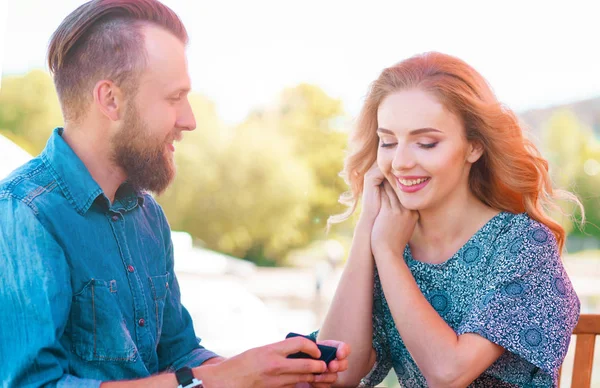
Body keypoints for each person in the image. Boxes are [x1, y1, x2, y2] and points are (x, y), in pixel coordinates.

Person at [0, 1, 349, 387]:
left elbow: (178, 353)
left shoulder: (147, 214)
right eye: (173, 98)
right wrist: (223, 379)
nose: (190, 120)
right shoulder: (22, 214)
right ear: (110, 100)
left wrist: (266, 371)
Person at [314, 52, 582, 387]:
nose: (400, 162)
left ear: (474, 147)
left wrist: (386, 253)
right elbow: (336, 373)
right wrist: (366, 226)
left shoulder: (523, 244)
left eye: (426, 143)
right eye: (388, 142)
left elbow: (448, 374)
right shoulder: (392, 239)